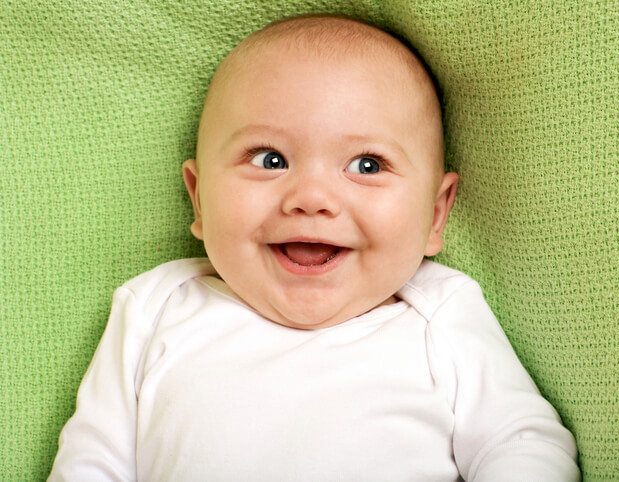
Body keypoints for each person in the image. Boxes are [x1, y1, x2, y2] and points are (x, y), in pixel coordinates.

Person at [49, 14, 580, 481]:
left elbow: (522, 443)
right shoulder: (155, 304)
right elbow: (91, 461)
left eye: (367, 166)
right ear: (200, 199)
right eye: (270, 159)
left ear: (435, 214)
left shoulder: (440, 311)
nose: (311, 199)